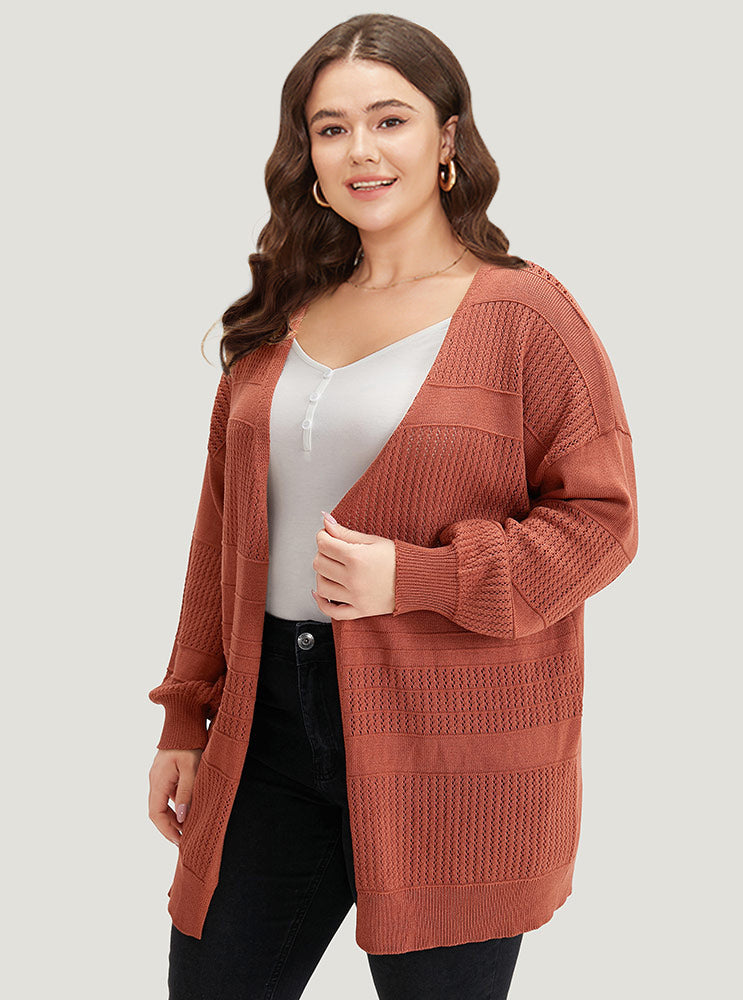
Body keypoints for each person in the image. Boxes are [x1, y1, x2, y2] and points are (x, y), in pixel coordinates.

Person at [147, 13, 638, 1000]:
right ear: (308, 155)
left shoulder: (525, 313)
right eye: (330, 128)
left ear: (447, 136)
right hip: (266, 728)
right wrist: (185, 716)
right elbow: (221, 536)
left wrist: (421, 576)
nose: (361, 150)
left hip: (452, 741)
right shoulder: (282, 314)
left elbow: (602, 522)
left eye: (390, 120)